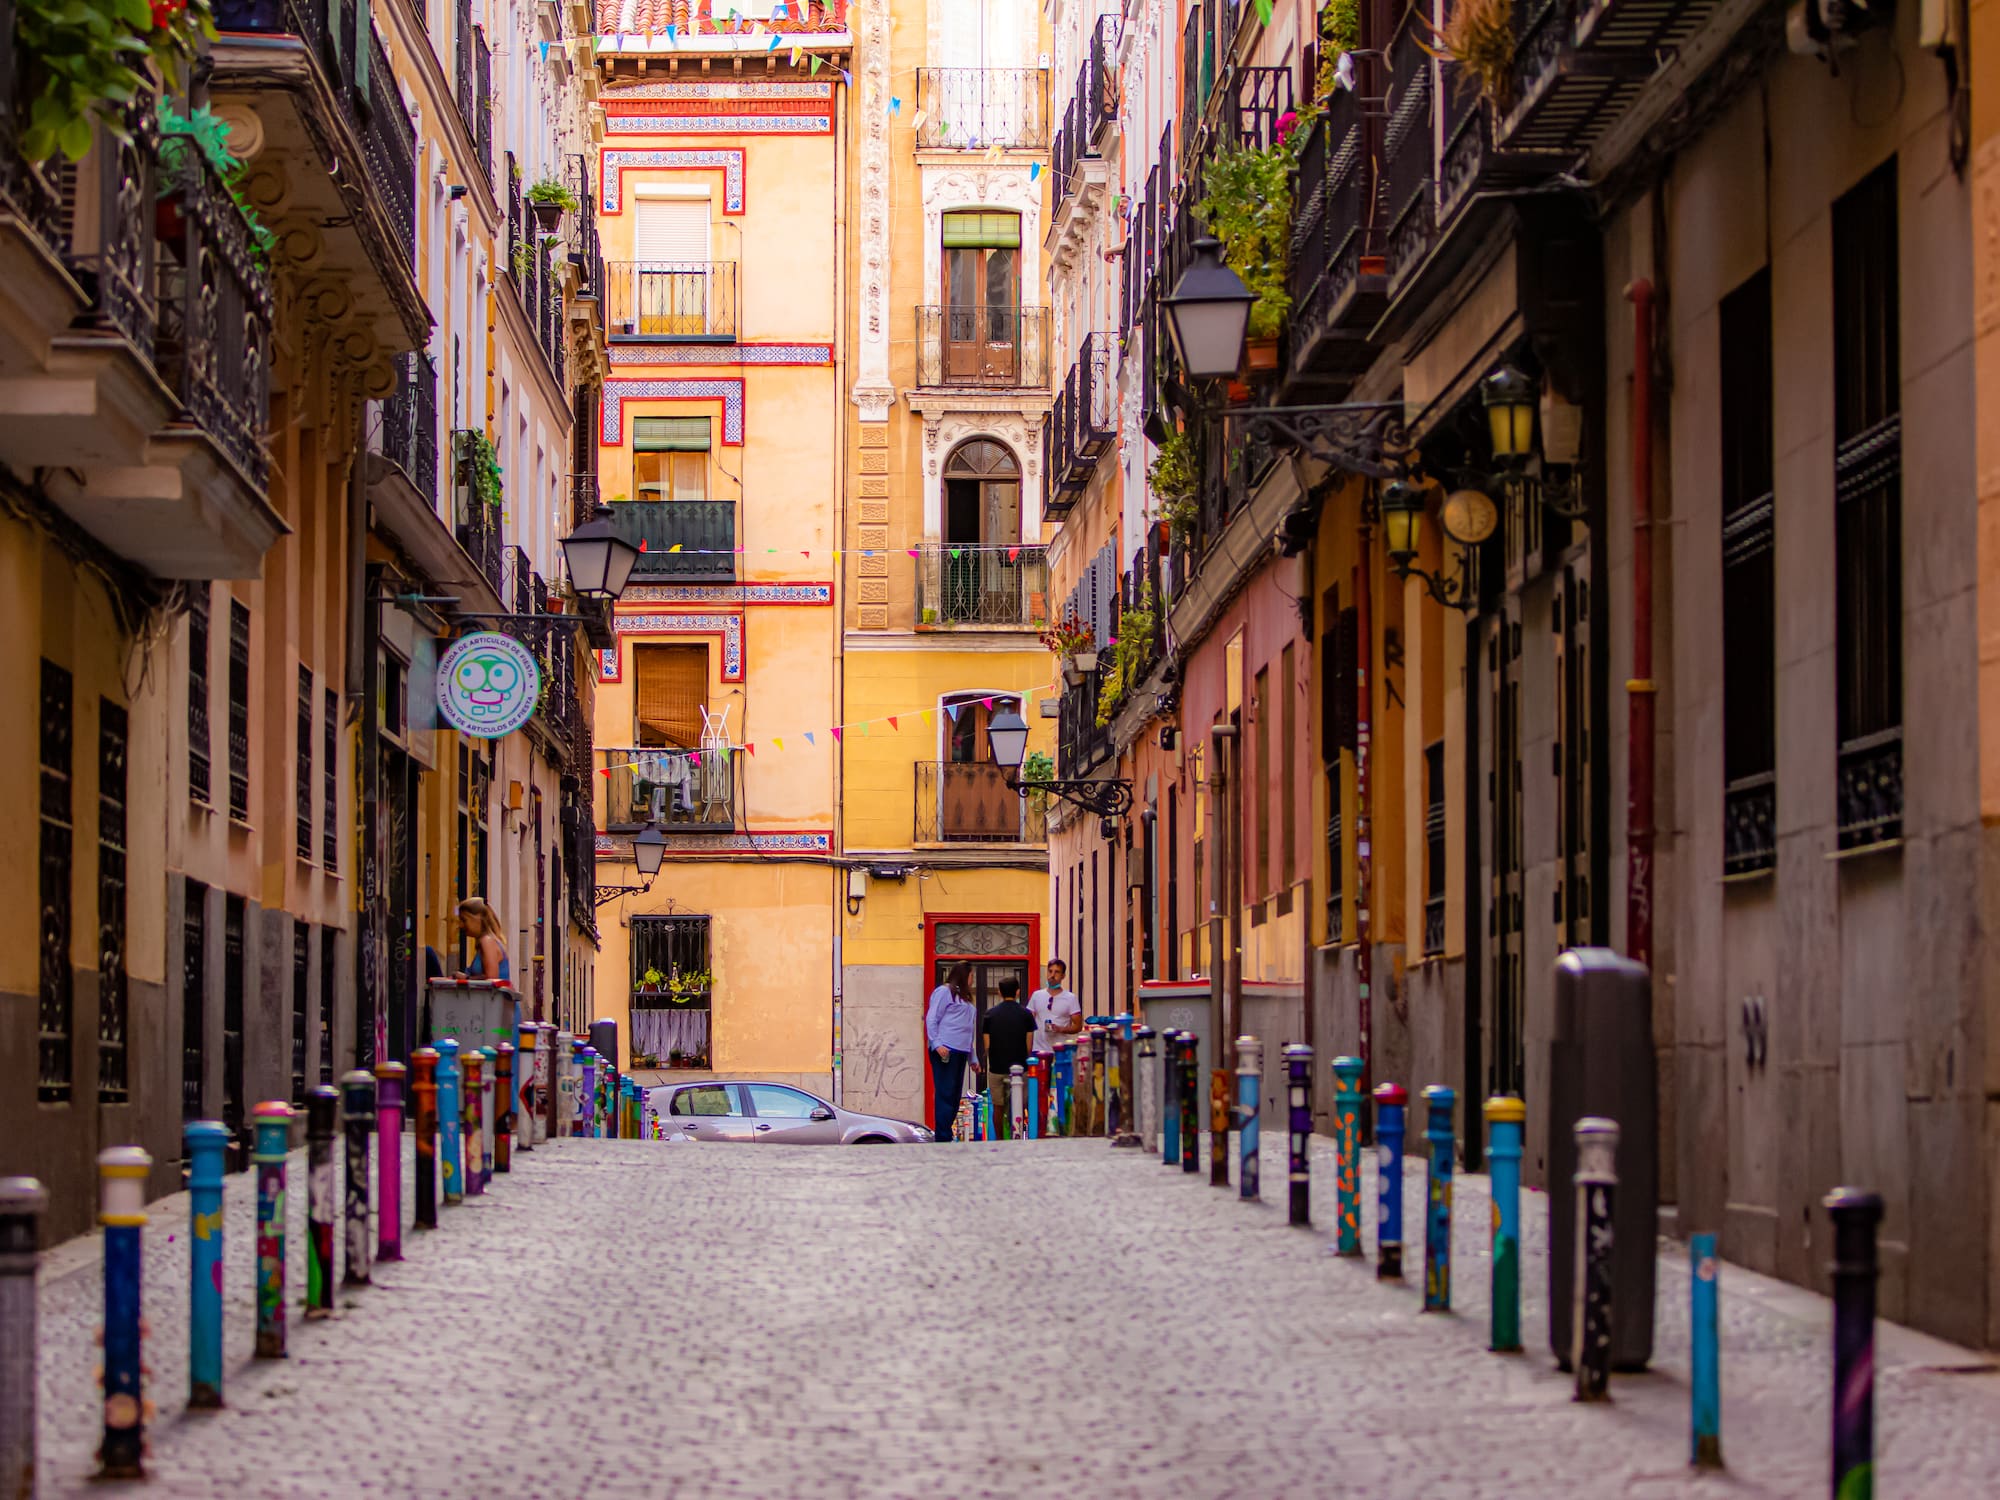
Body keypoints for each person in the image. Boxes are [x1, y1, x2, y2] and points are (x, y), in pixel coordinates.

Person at [925, 962, 977, 1142]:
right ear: (964, 975)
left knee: (955, 1096)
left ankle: (946, 1131)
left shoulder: (965, 999)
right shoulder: (944, 992)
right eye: (971, 975)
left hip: (961, 1051)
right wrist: (937, 1043)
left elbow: (968, 1030)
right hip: (946, 1050)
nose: (972, 979)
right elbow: (932, 1018)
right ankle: (943, 1136)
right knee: (945, 1093)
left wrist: (973, 1058)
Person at [981, 977, 1036, 1126]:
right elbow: (1029, 1046)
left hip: (997, 1068)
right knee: (1020, 1105)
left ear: (999, 992)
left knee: (998, 1108)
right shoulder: (1026, 1015)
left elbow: (987, 1045)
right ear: (1017, 992)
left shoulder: (989, 1015)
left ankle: (999, 1141)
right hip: (1019, 1068)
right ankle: (1019, 1135)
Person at [1028, 958, 1082, 1053]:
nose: (1052, 975)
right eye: (1050, 971)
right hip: (1039, 1050)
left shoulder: (1070, 998)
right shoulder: (1036, 995)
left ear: (1063, 976)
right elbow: (1028, 1023)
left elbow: (1078, 1026)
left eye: (1057, 972)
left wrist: (1060, 1029)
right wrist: (1028, 1049)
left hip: (1061, 1050)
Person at [454, 897, 511, 983]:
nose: (461, 925)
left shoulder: (487, 942)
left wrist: (466, 978)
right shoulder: (487, 941)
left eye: (464, 920)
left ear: (478, 918)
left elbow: (491, 979)